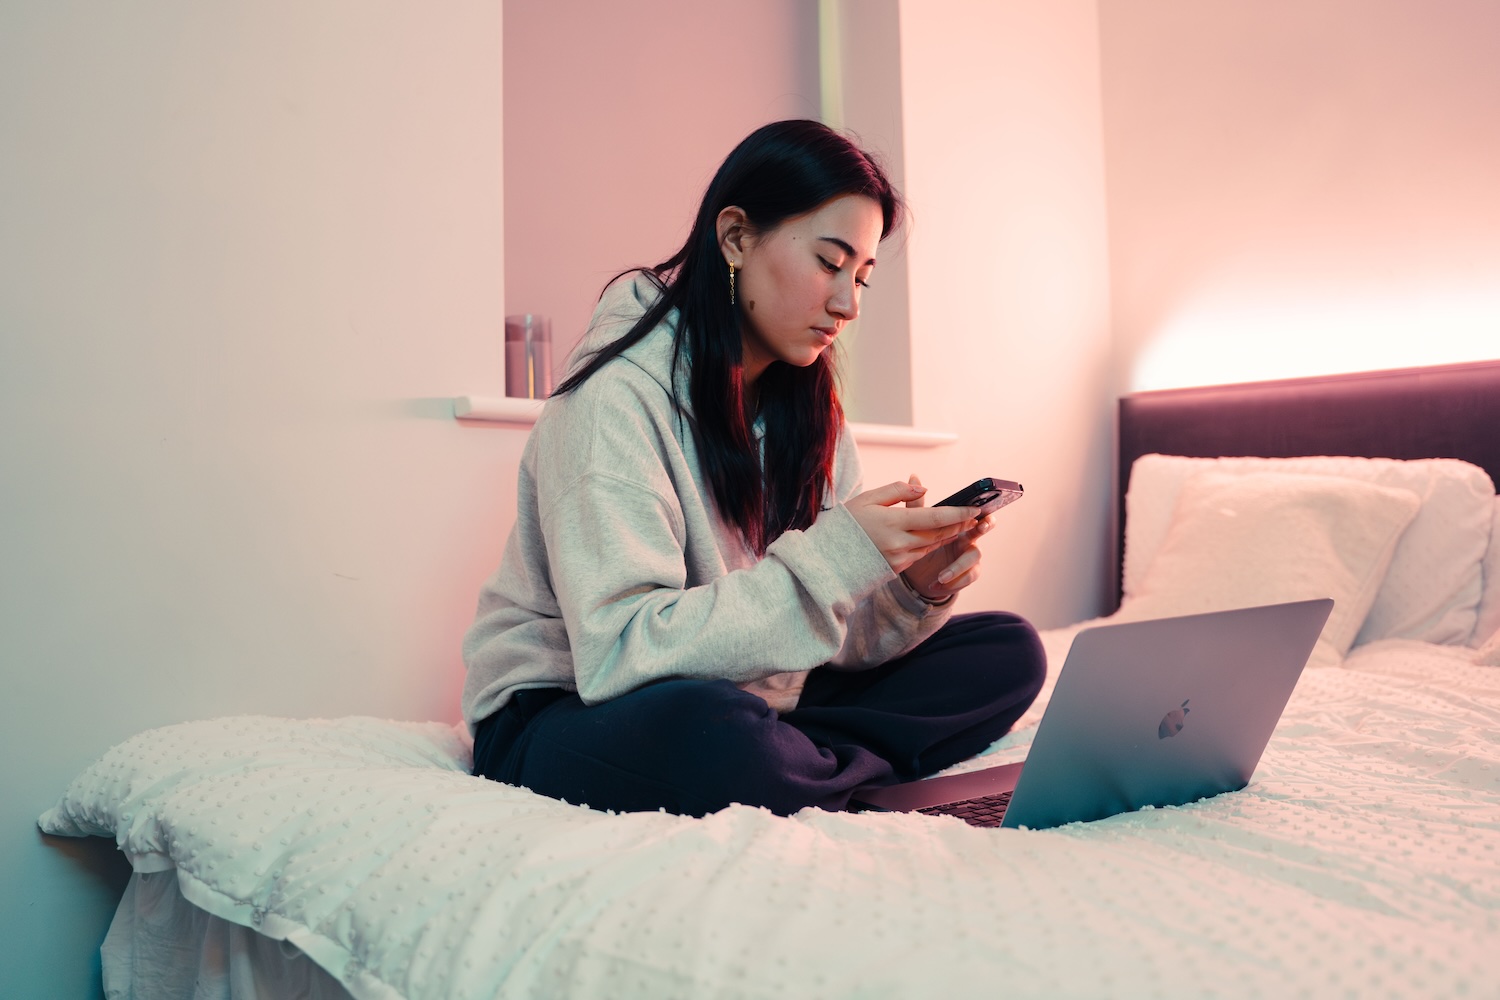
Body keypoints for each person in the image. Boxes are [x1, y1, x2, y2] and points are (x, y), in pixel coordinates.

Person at [463, 119, 1045, 817]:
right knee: (714, 735)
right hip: (568, 707)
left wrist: (905, 594)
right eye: (829, 263)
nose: (847, 304)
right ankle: (803, 764)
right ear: (736, 237)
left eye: (862, 277)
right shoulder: (611, 400)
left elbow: (824, 639)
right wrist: (836, 559)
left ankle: (795, 763)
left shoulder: (809, 406)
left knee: (1009, 651)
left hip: (752, 691)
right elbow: (619, 656)